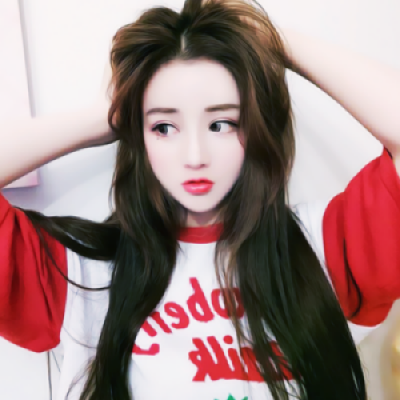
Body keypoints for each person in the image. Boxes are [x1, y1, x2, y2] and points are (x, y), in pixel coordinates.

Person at [0, 0, 399, 399]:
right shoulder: (85, 275)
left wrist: (273, 41)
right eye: (164, 127)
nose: (194, 156)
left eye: (220, 124)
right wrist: (105, 116)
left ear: (255, 128)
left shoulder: (322, 247)